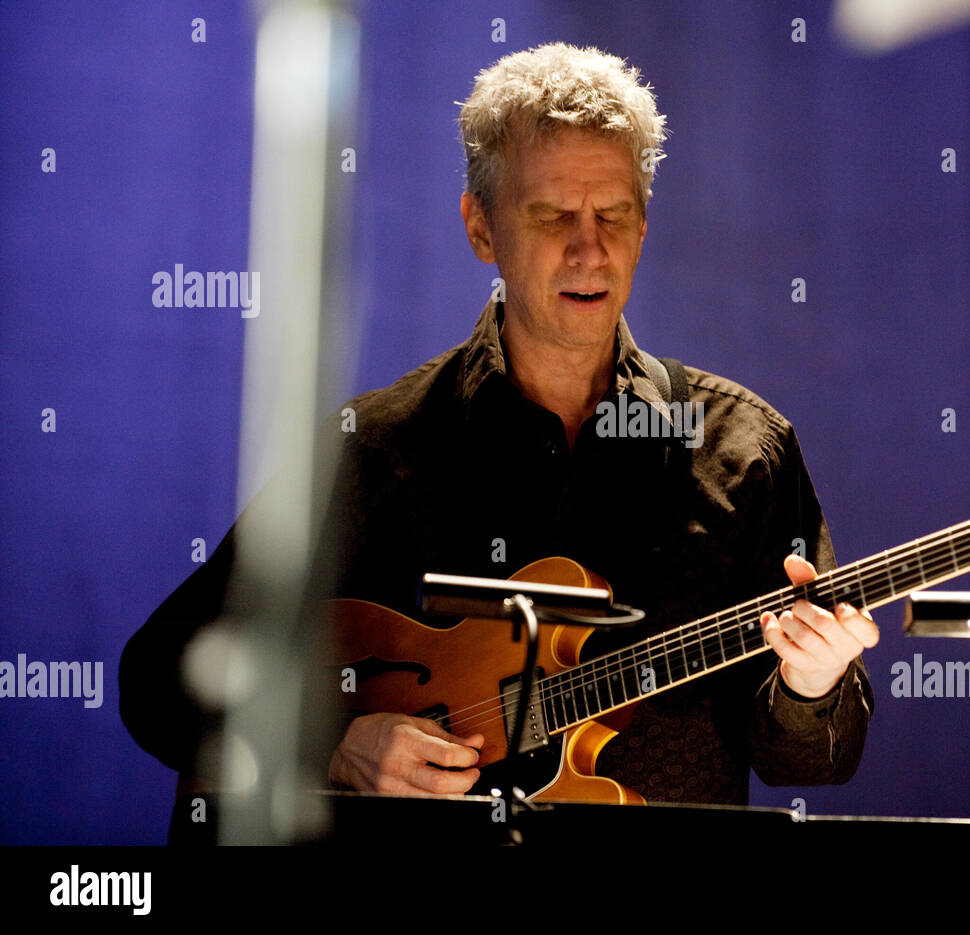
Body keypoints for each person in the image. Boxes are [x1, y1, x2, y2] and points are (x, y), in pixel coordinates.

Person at [121, 41, 878, 807]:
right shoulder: (375, 449)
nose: (591, 249)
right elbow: (158, 673)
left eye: (614, 213)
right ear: (480, 229)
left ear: (644, 226)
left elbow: (810, 764)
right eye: (551, 215)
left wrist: (811, 684)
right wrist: (334, 746)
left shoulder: (745, 451)